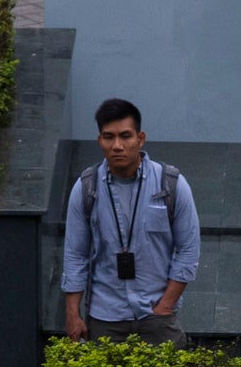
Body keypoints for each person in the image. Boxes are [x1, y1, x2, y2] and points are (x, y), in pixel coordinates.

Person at [61, 97, 199, 343]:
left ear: (140, 138)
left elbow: (189, 249)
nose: (117, 146)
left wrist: (165, 307)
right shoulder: (86, 188)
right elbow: (75, 254)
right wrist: (73, 314)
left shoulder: (171, 184)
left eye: (125, 136)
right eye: (108, 137)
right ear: (99, 141)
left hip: (156, 312)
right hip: (105, 315)